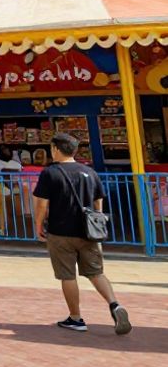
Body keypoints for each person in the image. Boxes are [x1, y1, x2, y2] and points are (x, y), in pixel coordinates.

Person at [32, 132, 131, 335]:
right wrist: (96, 222)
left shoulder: (50, 173)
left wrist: (38, 225)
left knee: (67, 276)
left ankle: (76, 318)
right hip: (88, 232)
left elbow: (42, 203)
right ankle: (115, 304)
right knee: (96, 273)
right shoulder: (89, 172)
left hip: (60, 232)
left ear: (56, 149)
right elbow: (98, 201)